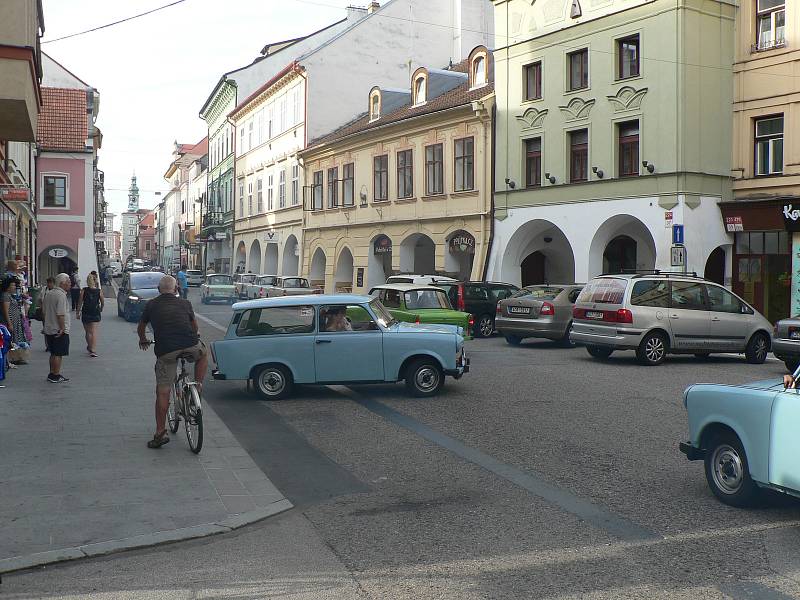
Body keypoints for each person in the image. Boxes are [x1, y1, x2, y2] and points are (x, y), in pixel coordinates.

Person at [137, 275, 208, 449]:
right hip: (190, 345)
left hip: (167, 351)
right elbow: (195, 327)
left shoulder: (151, 305)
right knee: (203, 354)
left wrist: (143, 339)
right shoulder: (185, 303)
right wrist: (194, 335)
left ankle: (160, 433)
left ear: (158, 290)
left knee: (162, 392)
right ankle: (198, 386)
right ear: (176, 289)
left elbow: (141, 326)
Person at [42, 273, 71, 383]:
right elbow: (60, 314)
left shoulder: (49, 293)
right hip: (58, 329)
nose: (70, 283)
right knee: (58, 353)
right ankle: (56, 374)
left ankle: (51, 373)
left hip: (49, 327)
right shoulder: (61, 295)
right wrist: (62, 328)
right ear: (62, 283)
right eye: (68, 281)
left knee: (53, 352)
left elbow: (44, 311)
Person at [77, 272, 103, 357]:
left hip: (86, 312)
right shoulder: (99, 291)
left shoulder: (84, 290)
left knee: (88, 331)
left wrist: (78, 312)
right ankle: (93, 350)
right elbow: (102, 302)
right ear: (95, 281)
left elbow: (80, 302)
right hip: (95, 312)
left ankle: (89, 346)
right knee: (94, 331)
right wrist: (101, 308)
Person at [1, 276, 26, 364]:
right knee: (11, 339)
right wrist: (10, 323)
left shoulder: (9, 295)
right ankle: (12, 359)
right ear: (7, 286)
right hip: (10, 321)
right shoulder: (6, 296)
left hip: (15, 321)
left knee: (15, 339)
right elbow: (6, 311)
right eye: (12, 285)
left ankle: (15, 358)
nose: (14, 287)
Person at [40, 277, 55, 352]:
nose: (49, 284)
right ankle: (48, 345)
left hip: (53, 312)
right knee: (46, 329)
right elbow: (40, 299)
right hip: (45, 312)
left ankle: (53, 344)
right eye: (48, 283)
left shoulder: (56, 291)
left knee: (53, 328)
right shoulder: (44, 289)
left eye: (50, 283)